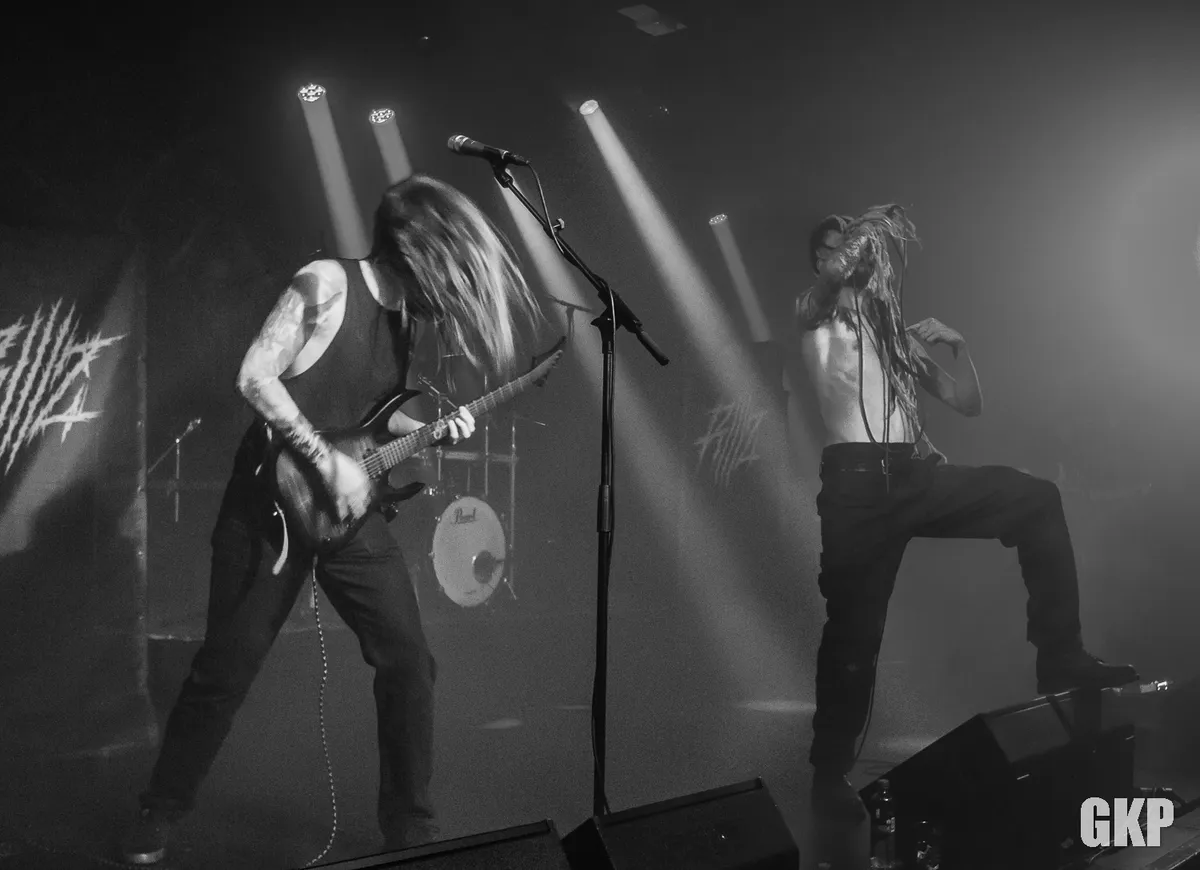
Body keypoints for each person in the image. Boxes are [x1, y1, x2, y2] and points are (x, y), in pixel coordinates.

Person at [120, 175, 543, 864]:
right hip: (269, 509)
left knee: (409, 662)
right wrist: (323, 463)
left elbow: (373, 418)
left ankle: (410, 829)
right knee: (224, 671)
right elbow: (254, 375)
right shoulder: (325, 283)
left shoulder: (406, 320)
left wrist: (433, 430)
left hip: (349, 518)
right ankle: (159, 808)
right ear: (418, 249)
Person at [795, 204, 1138, 820]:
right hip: (856, 490)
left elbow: (967, 403)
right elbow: (831, 282)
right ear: (823, 258)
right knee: (853, 634)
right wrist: (865, 231)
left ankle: (1060, 653)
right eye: (839, 244)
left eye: (856, 242)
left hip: (915, 476)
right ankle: (828, 767)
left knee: (1036, 498)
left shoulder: (894, 336)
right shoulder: (815, 311)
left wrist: (961, 347)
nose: (856, 251)